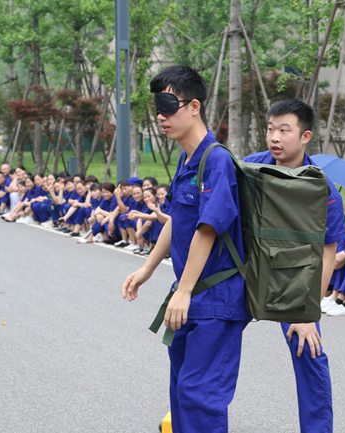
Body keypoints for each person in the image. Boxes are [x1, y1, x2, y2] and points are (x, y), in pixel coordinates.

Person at [122, 65, 250, 433]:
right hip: (191, 294)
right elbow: (177, 219)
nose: (161, 116)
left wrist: (185, 290)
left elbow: (208, 229)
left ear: (194, 106)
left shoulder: (216, 159)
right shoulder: (186, 159)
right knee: (181, 391)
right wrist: (147, 269)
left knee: (200, 395)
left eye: (168, 106)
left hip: (215, 299)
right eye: (157, 109)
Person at [243, 98, 345, 433]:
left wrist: (307, 314)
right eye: (270, 129)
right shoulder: (249, 168)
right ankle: (193, 421)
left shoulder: (323, 191)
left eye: (284, 130)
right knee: (208, 334)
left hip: (292, 278)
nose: (274, 137)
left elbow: (327, 253)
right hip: (245, 269)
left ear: (305, 137)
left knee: (309, 348)